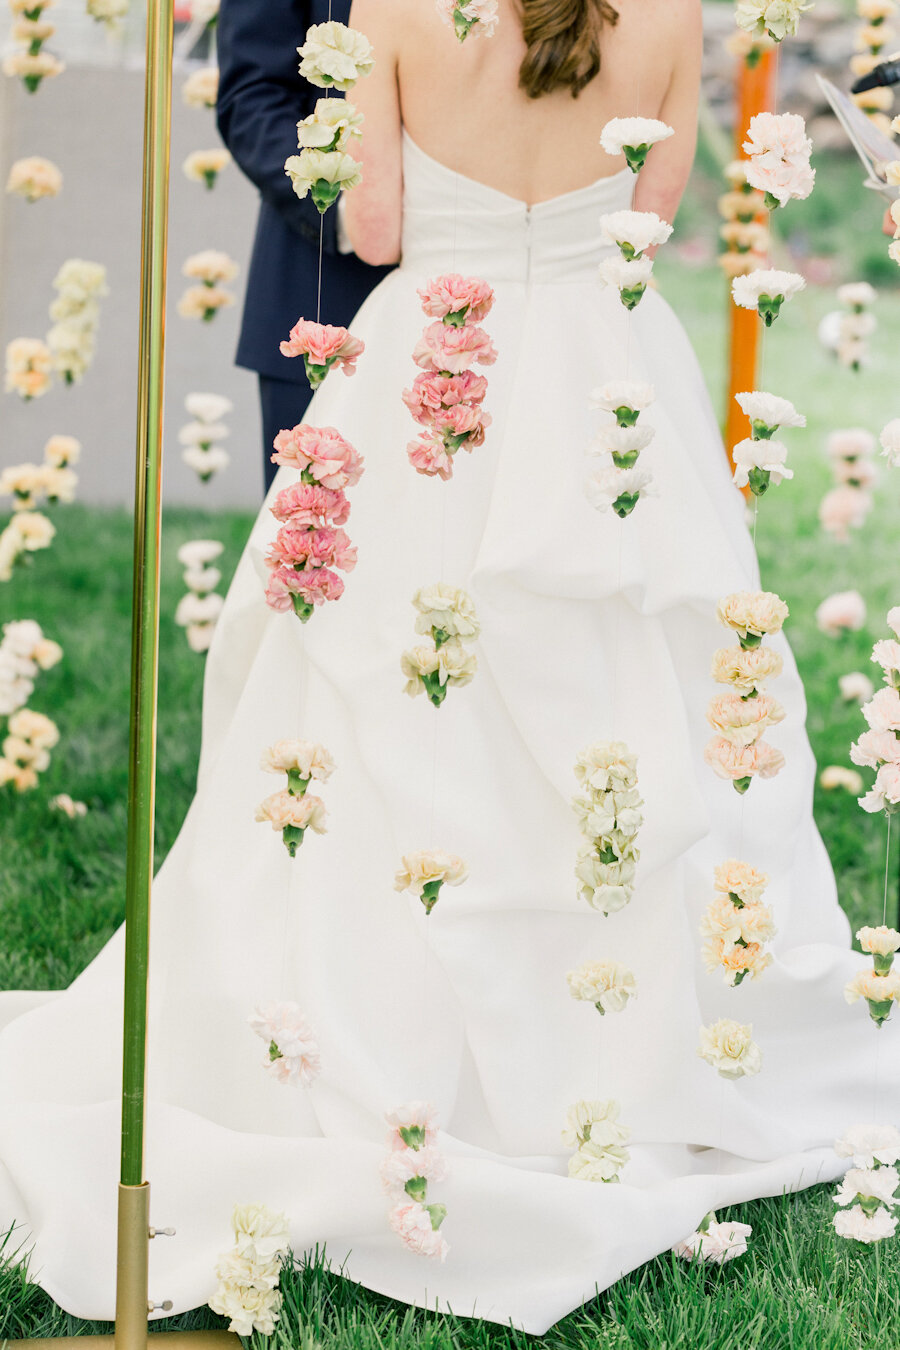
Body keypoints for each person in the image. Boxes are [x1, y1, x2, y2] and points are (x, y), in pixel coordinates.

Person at [0, 0, 893, 1334]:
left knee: (384, 692)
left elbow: (369, 231)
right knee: (632, 680)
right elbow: (653, 208)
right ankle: (627, 1057)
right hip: (609, 372)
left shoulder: (400, 8)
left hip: (439, 363)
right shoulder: (664, 13)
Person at [216, 0, 393, 492]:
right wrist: (345, 207)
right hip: (323, 289)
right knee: (312, 546)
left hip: (496, 276)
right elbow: (253, 96)